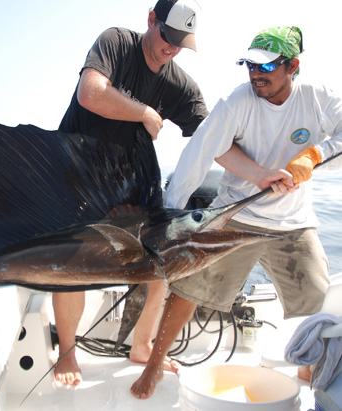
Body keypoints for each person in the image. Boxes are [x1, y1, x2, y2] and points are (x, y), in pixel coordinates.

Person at [131, 25, 342, 399]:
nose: (255, 75)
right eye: (250, 66)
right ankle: (153, 364)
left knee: (320, 305)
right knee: (188, 290)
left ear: (292, 65)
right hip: (236, 215)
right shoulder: (237, 101)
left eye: (266, 68)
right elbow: (199, 152)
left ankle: (310, 368)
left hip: (294, 222)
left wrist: (313, 157)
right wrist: (169, 218)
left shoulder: (317, 97)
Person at [53, 0, 208, 386]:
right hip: (78, 176)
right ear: (151, 20)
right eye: (167, 37)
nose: (171, 48)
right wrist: (144, 113)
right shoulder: (117, 43)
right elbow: (91, 93)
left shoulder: (179, 84)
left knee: (161, 263)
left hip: (129, 183)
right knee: (73, 267)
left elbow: (212, 135)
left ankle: (142, 346)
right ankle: (67, 354)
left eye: (181, 43)